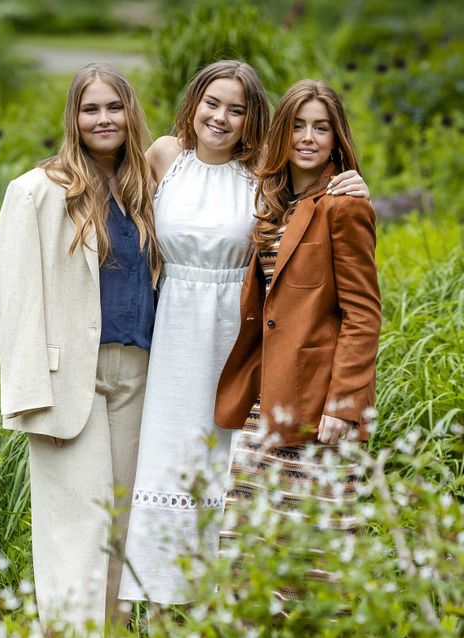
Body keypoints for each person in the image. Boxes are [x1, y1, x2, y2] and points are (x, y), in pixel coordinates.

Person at [118, 62, 370, 605]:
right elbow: (111, 194)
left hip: (243, 336)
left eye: (237, 109)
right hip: (175, 332)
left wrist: (352, 181)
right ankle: (163, 594)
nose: (221, 117)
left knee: (235, 467)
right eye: (213, 103)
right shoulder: (164, 156)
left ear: (254, 118)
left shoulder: (263, 173)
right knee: (173, 455)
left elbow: (334, 264)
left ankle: (232, 596)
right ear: (194, 103)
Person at [0, 63, 160, 630]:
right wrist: (32, 396)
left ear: (130, 113)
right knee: (73, 529)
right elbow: (13, 302)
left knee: (122, 521)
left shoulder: (147, 188)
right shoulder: (36, 191)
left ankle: (112, 628)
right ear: (74, 117)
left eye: (115, 107)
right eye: (92, 109)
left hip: (139, 376)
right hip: (69, 382)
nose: (104, 119)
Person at [214, 79, 382, 600]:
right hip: (263, 402)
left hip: (316, 407)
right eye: (299, 125)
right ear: (282, 132)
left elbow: (363, 315)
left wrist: (345, 405)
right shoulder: (273, 204)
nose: (308, 137)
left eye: (322, 127)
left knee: (316, 559)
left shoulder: (344, 207)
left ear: (337, 139)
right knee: (246, 552)